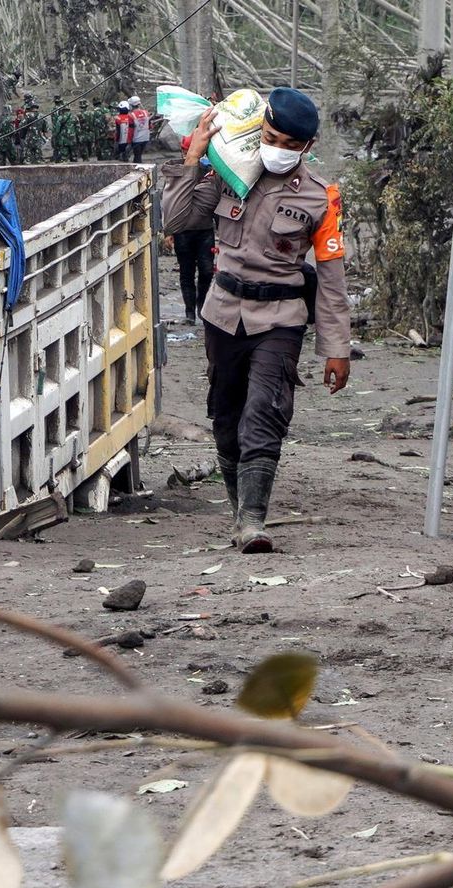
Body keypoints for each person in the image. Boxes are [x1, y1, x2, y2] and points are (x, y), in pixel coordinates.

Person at [160, 87, 351, 553]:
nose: (278, 149)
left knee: (263, 414)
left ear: (306, 147)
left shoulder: (320, 197)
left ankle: (253, 523)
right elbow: (174, 220)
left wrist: (337, 349)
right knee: (226, 418)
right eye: (271, 137)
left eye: (290, 144)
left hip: (281, 318)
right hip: (222, 313)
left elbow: (331, 279)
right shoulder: (228, 174)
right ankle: (238, 509)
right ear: (259, 130)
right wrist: (195, 158)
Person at [170, 134, 215, 325]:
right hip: (183, 231)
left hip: (204, 230)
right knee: (186, 272)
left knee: (206, 271)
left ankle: (201, 305)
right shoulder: (175, 172)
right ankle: (190, 312)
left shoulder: (209, 171)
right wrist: (168, 231)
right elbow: (169, 201)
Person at [21, 97, 47, 164]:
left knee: (28, 158)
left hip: (29, 138)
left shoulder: (28, 115)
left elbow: (22, 126)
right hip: (38, 138)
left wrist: (22, 135)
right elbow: (45, 129)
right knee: (39, 158)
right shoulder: (42, 116)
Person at [51, 96, 76, 163]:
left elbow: (56, 126)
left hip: (63, 137)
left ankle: (59, 160)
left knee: (63, 153)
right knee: (73, 154)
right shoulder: (74, 116)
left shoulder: (58, 114)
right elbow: (78, 127)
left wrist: (55, 135)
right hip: (73, 137)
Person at [127, 95, 151, 163]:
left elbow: (130, 131)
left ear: (131, 105)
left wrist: (129, 141)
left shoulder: (131, 116)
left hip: (136, 139)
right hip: (146, 138)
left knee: (137, 156)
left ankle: (138, 170)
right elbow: (150, 126)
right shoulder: (146, 113)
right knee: (138, 155)